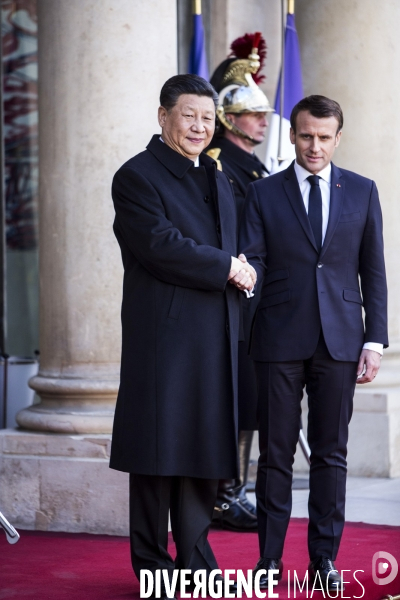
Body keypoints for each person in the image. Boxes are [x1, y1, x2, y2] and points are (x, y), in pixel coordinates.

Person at [109, 74, 256, 598]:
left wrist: (243, 268)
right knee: (156, 454)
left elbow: (241, 246)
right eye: (188, 115)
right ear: (163, 116)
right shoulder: (137, 176)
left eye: (206, 117)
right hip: (164, 339)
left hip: (215, 335)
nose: (199, 126)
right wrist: (228, 268)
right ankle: (152, 565)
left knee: (201, 450)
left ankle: (195, 559)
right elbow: (160, 245)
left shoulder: (216, 176)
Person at [239, 95, 388, 592]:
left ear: (338, 138)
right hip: (278, 337)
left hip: (342, 340)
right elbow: (254, 261)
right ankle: (269, 559)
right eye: (306, 136)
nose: (314, 146)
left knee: (332, 454)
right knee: (275, 455)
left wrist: (376, 341)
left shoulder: (363, 191)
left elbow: (374, 272)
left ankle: (323, 558)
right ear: (293, 135)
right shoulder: (263, 194)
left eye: (324, 137)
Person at [206, 32, 273, 532]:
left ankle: (237, 488)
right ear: (228, 116)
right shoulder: (220, 167)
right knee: (235, 398)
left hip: (257, 301)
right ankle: (223, 493)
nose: (264, 120)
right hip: (233, 298)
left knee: (249, 398)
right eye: (252, 113)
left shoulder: (253, 167)